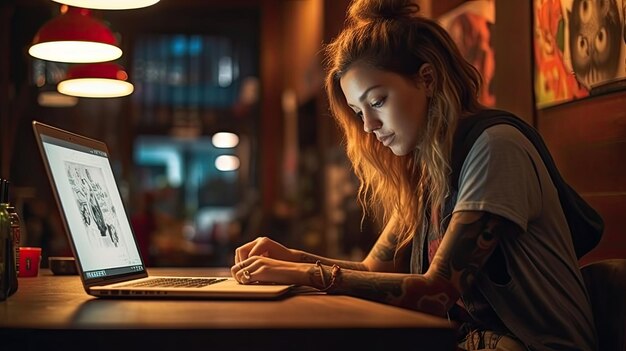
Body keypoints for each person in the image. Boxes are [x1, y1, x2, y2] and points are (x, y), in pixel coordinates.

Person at [230, 0, 598, 350]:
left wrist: (306, 275)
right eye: (359, 112)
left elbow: (438, 291)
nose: (369, 125)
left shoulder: (495, 147)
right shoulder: (431, 167)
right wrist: (295, 260)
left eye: (377, 101)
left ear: (427, 79)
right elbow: (374, 268)